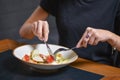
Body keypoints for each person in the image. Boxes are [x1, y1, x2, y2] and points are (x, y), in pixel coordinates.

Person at [19, 0, 120, 66]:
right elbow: (23, 32)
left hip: (100, 69)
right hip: (63, 66)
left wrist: (111, 37)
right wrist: (34, 27)